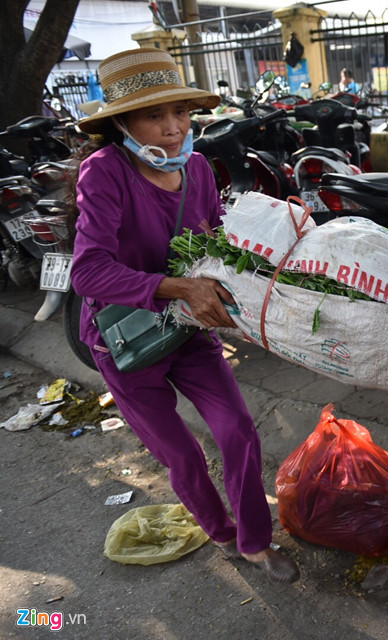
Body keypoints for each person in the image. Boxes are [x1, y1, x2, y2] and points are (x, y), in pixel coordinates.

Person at [69, 48, 300, 582]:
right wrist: (178, 287)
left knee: (238, 429)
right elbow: (88, 272)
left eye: (181, 112)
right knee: (183, 453)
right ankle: (218, 530)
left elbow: (216, 238)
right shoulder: (104, 172)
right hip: (127, 342)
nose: (173, 128)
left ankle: (254, 541)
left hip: (190, 331)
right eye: (154, 115)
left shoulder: (197, 167)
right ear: (121, 122)